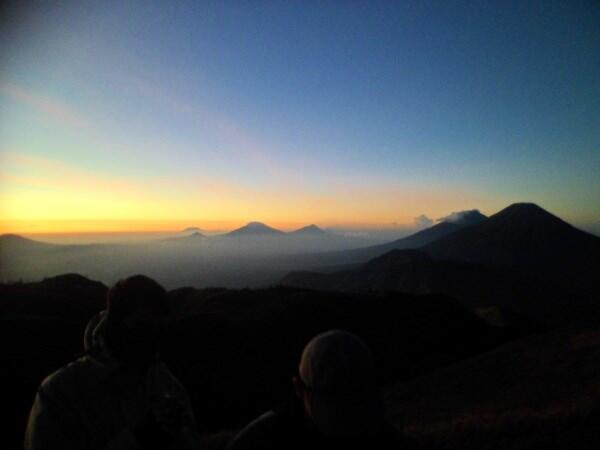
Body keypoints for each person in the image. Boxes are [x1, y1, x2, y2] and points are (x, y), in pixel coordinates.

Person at [25, 275, 200, 450]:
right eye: (143, 327)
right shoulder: (59, 393)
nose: (154, 339)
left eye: (160, 328)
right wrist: (139, 439)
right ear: (115, 324)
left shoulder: (167, 385)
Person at [228, 329, 420, 450]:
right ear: (298, 389)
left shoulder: (261, 437)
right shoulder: (261, 440)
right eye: (335, 403)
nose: (347, 418)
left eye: (354, 399)